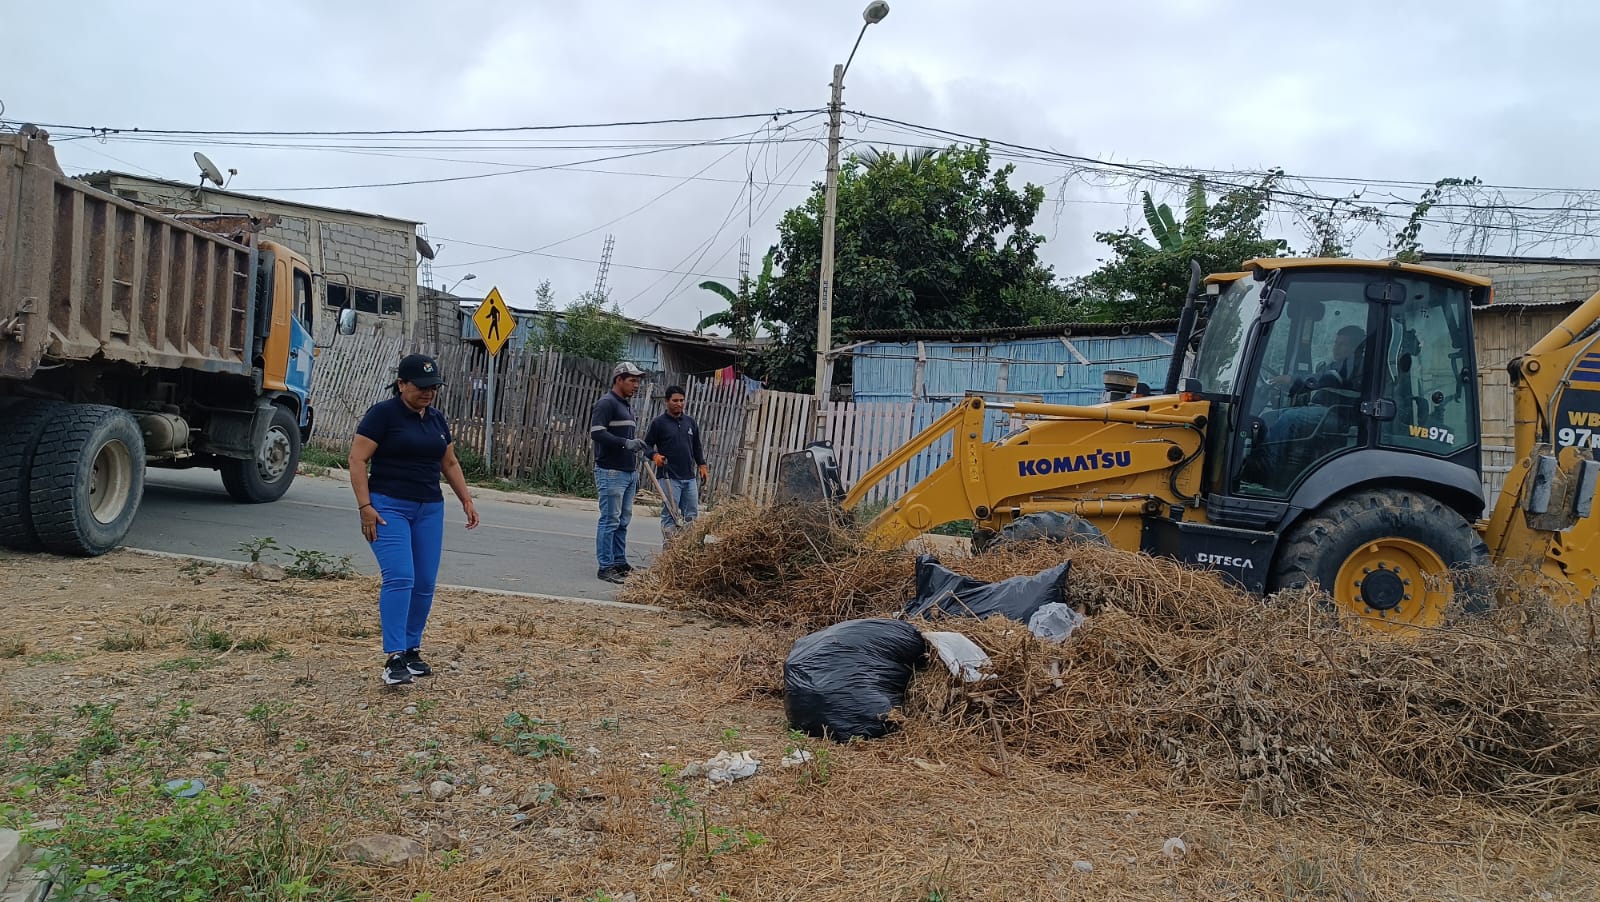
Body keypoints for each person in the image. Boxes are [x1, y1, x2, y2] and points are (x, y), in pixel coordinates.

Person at [348, 353, 480, 686]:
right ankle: (393, 656)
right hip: (388, 507)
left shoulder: (436, 419)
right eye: (421, 386)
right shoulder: (382, 415)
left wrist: (466, 499)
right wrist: (365, 506)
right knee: (400, 577)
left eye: (433, 387)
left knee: (423, 582)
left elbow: (449, 462)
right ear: (401, 384)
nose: (428, 392)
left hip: (429, 509)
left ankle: (411, 648)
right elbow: (357, 460)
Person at [1257, 325, 1366, 473]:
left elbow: (1320, 379)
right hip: (1325, 410)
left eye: (1342, 344)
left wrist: (1291, 379)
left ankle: (1268, 464)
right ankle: (1259, 458)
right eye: (1336, 343)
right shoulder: (1336, 364)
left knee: (1289, 418)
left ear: (1355, 348)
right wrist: (1288, 388)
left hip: (1339, 415)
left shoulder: (1354, 365)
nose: (1336, 348)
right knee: (1268, 417)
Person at [590, 361, 648, 584]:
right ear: (619, 380)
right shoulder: (607, 403)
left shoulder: (626, 406)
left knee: (623, 521)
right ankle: (605, 567)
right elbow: (597, 433)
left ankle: (619, 562)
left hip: (627, 471)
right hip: (611, 471)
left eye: (638, 381)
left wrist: (635, 449)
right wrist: (625, 443)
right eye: (632, 381)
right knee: (610, 520)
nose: (636, 385)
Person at [643, 385, 709, 538]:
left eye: (682, 400)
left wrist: (702, 465)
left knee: (691, 515)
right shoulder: (658, 423)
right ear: (667, 401)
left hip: (689, 477)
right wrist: (654, 456)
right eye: (675, 401)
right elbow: (646, 445)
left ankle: (687, 547)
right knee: (670, 515)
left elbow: (697, 446)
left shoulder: (690, 422)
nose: (679, 404)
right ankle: (670, 548)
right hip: (669, 477)